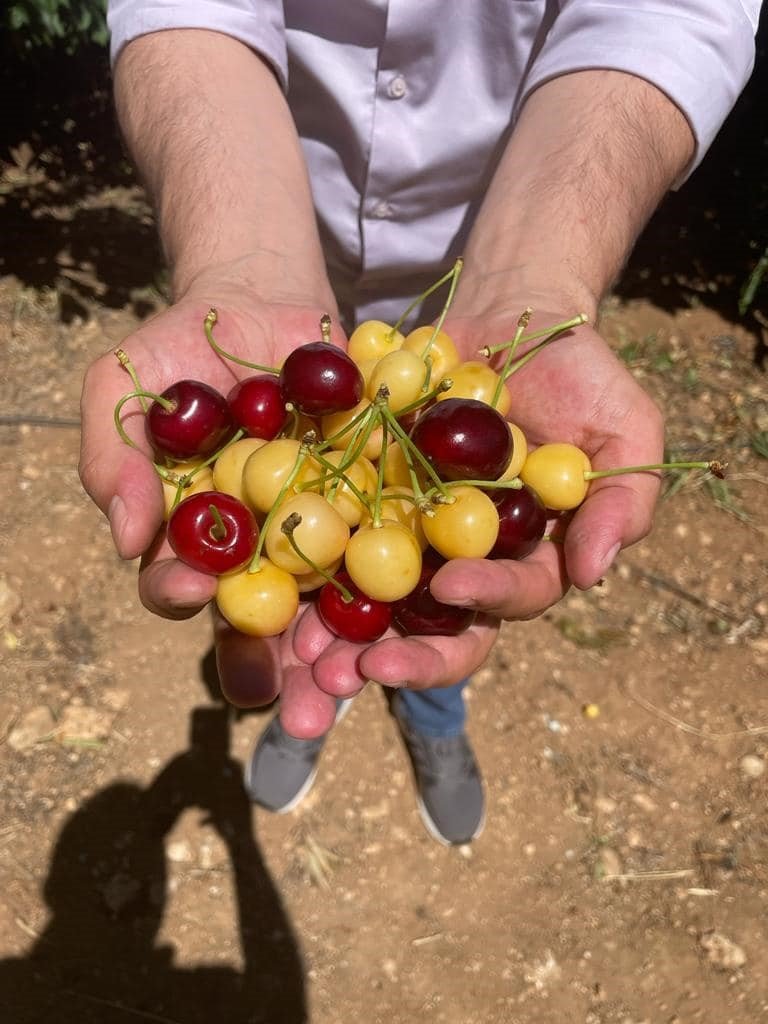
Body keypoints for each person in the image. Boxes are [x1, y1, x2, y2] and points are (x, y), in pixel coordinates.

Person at [80, 1, 762, 845]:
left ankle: (434, 715)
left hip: (501, 244)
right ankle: (323, 700)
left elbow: (666, 13)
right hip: (279, 223)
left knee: (447, 590)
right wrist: (236, 262)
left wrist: (537, 280)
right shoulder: (290, 452)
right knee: (328, 614)